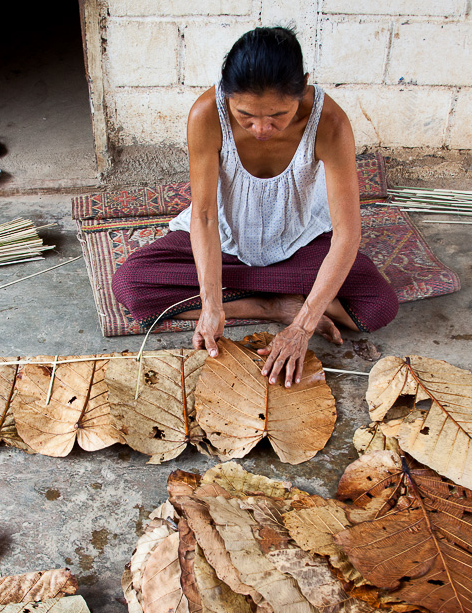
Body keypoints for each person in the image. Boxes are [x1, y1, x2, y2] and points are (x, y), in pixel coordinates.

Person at [111, 26, 398, 387]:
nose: (261, 128)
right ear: (226, 94)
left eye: (278, 114)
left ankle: (289, 298)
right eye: (246, 114)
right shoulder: (206, 114)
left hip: (299, 238)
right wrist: (212, 305)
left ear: (303, 87)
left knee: (378, 306)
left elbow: (346, 234)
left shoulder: (330, 122)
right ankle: (271, 304)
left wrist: (303, 327)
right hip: (225, 237)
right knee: (131, 284)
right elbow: (203, 216)